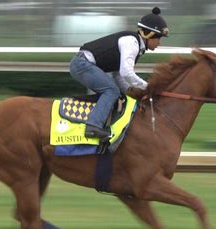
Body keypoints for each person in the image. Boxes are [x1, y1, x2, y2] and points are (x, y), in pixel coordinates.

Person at [69, 7, 169, 139]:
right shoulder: (132, 43)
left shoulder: (137, 46)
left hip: (84, 64)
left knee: (117, 92)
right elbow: (126, 72)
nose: (159, 43)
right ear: (149, 34)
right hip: (82, 64)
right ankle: (93, 127)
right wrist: (148, 88)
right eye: (159, 38)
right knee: (111, 91)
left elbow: (118, 74)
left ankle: (102, 123)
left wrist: (128, 91)